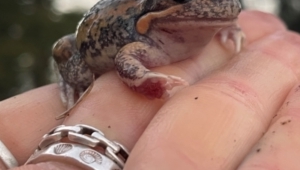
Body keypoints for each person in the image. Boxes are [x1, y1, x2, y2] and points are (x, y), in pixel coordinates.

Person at [0, 10, 299, 170]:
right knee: (74, 65)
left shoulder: (199, 20)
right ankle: (68, 82)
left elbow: (224, 10)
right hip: (86, 47)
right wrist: (148, 81)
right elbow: (125, 59)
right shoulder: (144, 40)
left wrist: (229, 24)